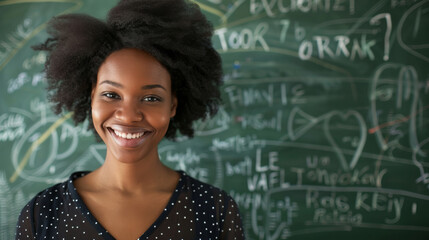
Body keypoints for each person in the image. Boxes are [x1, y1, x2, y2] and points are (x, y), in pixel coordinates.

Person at [15, 0, 245, 239]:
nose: (128, 115)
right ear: (91, 96)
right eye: (111, 95)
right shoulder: (42, 214)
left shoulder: (214, 211)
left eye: (151, 98)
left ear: (173, 105)